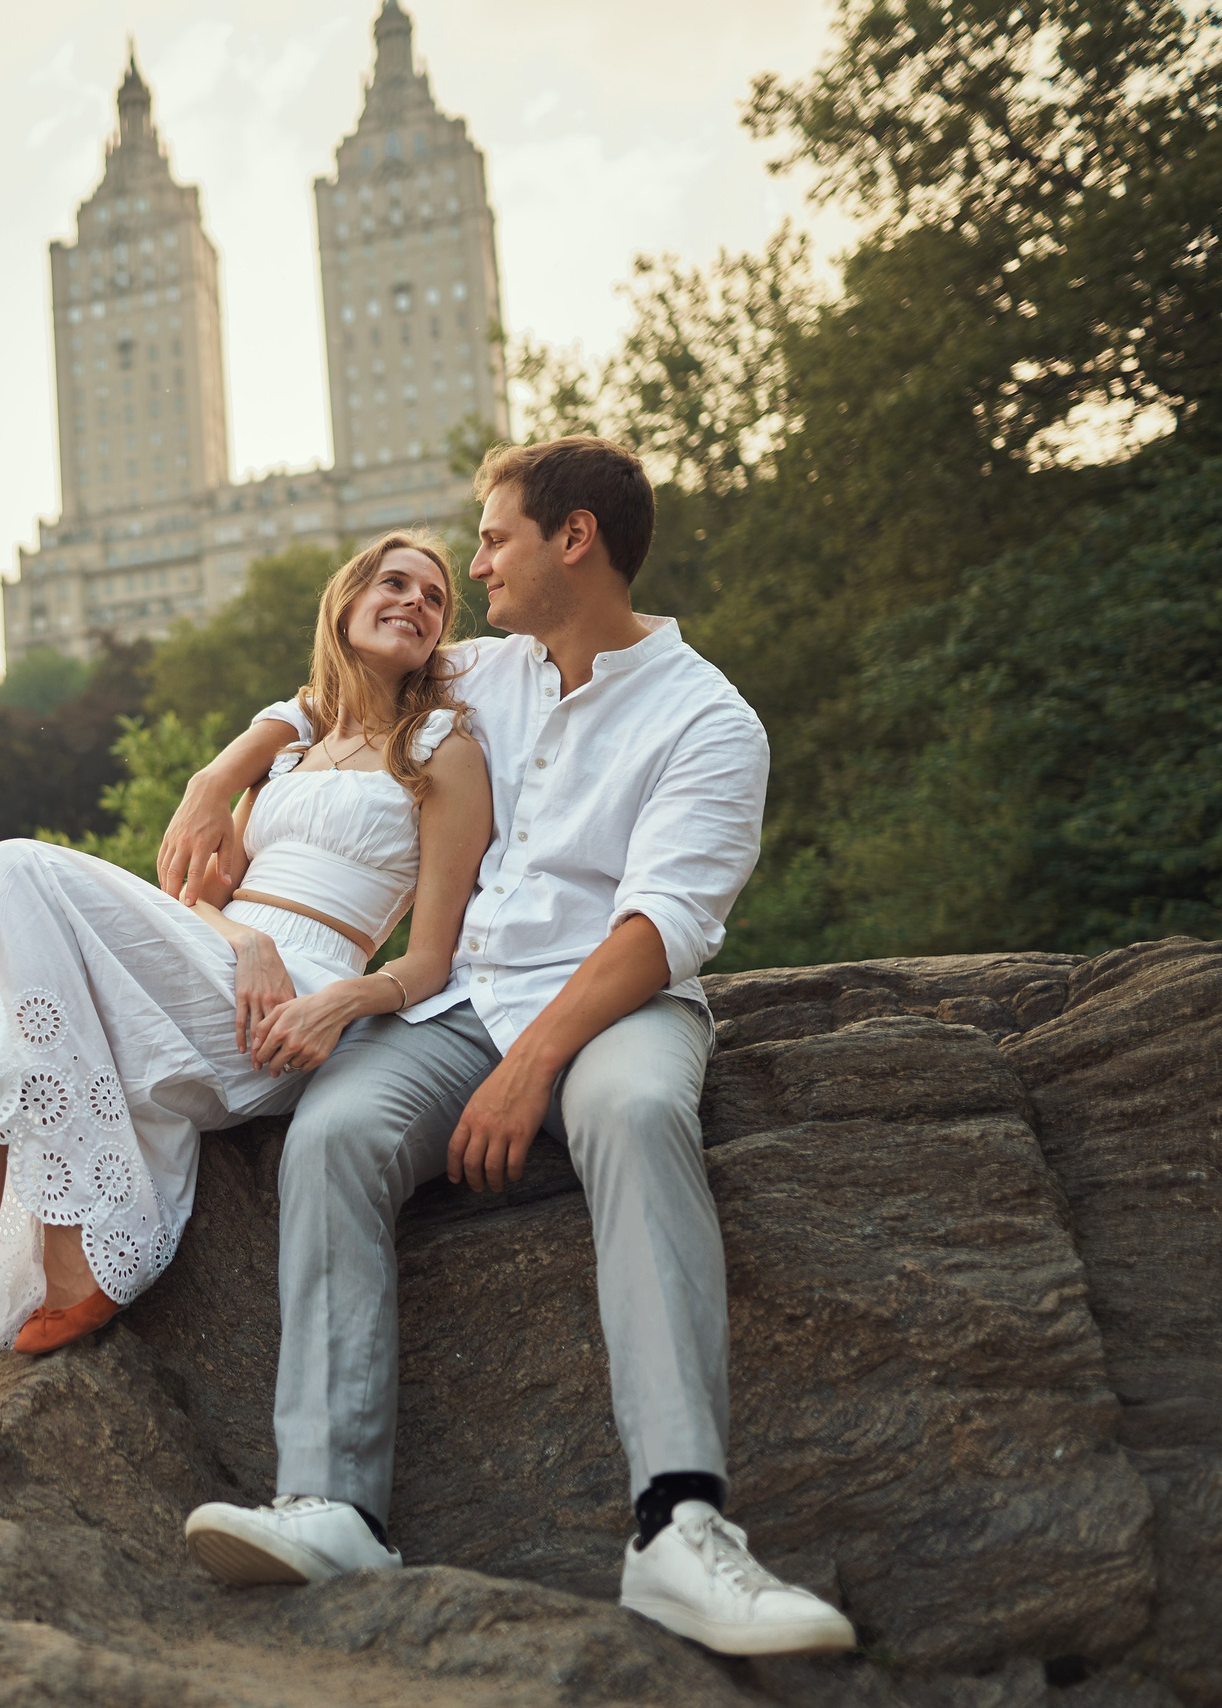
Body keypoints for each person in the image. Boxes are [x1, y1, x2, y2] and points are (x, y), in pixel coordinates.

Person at [166, 437, 857, 1658]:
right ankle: (331, 1501)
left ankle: (678, 1528)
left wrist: (532, 1065)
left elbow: (663, 927)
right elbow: (333, 686)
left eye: (491, 539)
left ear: (571, 540)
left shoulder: (709, 718)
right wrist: (220, 776)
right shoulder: (487, 670)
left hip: (611, 1007)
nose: (472, 563)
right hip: (455, 1005)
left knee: (641, 1118)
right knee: (329, 1131)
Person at [0, 533, 494, 1552]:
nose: (413, 599)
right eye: (392, 581)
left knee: (17, 872)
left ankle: (51, 1270)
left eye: (435, 594)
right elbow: (202, 900)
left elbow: (432, 960)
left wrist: (339, 1005)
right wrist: (239, 932)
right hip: (231, 964)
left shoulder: (444, 750)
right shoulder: (287, 747)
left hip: (304, 1010)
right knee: (3, 1021)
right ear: (344, 602)